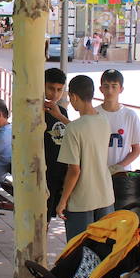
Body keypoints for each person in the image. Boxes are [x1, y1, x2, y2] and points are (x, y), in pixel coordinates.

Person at [56, 75, 114, 242]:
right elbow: (85, 132)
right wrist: (61, 117)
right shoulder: (104, 120)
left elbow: (74, 170)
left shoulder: (73, 129)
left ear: (73, 96)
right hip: (105, 196)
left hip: (82, 201)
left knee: (79, 252)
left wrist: (63, 201)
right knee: (103, 251)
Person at [98, 69, 140, 173]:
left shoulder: (130, 115)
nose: (110, 91)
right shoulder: (94, 113)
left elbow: (136, 150)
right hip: (98, 173)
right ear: (101, 89)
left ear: (121, 89)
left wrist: (117, 167)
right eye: (106, 86)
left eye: (114, 86)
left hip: (121, 175)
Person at [42, 68, 70, 220]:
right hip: (42, 173)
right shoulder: (35, 111)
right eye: (51, 88)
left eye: (59, 90)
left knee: (50, 215)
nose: (55, 94)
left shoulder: (62, 113)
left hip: (58, 173)